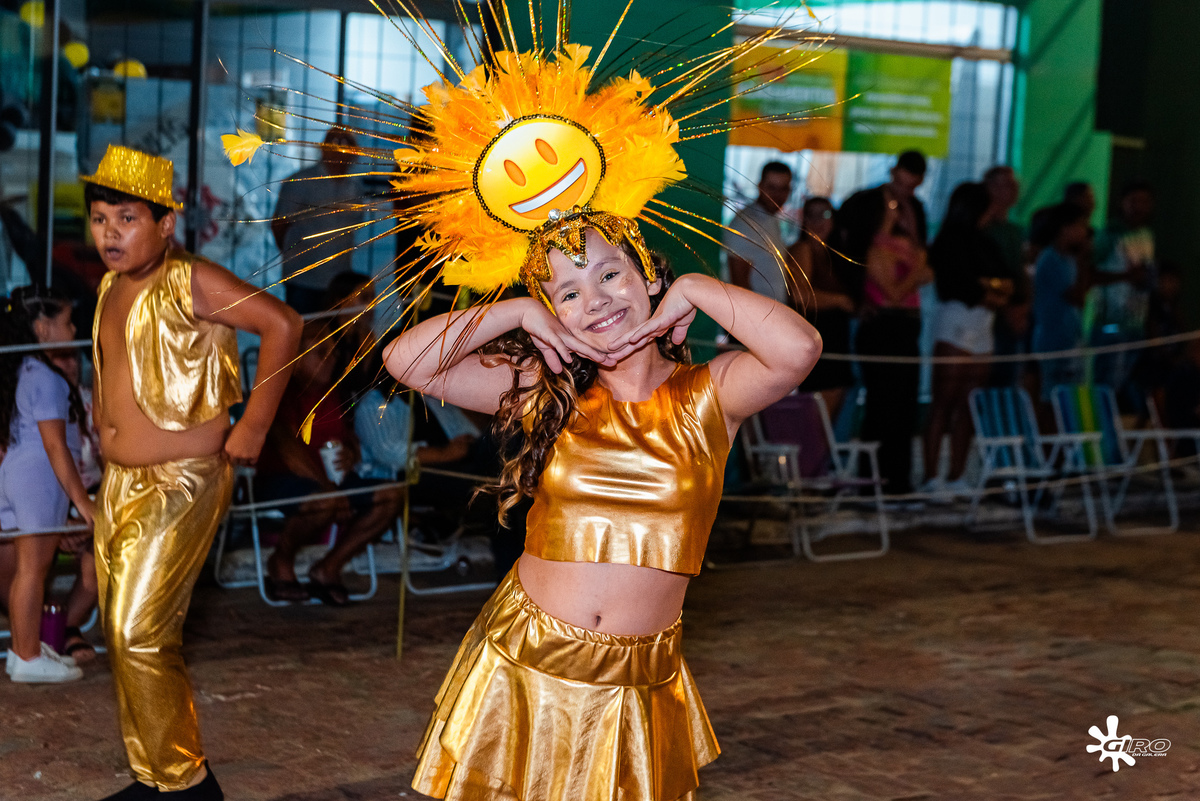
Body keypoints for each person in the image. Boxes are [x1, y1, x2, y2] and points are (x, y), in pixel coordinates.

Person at [84, 144, 302, 800]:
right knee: (119, 631)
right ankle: (153, 774)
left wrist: (255, 424)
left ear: (166, 223)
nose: (110, 233)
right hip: (120, 483)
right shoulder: (110, 286)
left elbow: (283, 323)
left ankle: (189, 786)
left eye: (127, 218)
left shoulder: (192, 279)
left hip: (182, 480)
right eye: (100, 219)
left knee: (138, 630)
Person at [256, 323, 406, 606]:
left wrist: (350, 453)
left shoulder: (332, 394)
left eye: (333, 351)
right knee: (325, 501)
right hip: (282, 479)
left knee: (392, 496)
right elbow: (289, 450)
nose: (332, 357)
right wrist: (330, 489)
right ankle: (281, 560)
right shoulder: (280, 393)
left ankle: (329, 567)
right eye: (321, 352)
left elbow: (347, 438)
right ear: (296, 360)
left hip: (331, 481)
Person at [0, 286, 92, 683]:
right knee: (33, 570)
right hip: (38, 476)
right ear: (42, 328)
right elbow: (56, 446)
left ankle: (25, 650)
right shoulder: (45, 377)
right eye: (67, 322)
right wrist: (82, 501)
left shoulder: (22, 370)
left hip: (17, 474)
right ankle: (28, 656)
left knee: (29, 569)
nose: (73, 329)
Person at [920, 183, 1013, 498]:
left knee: (970, 405)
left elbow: (1008, 282)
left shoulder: (987, 242)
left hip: (983, 325)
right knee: (943, 402)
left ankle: (957, 474)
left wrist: (990, 288)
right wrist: (988, 289)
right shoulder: (948, 241)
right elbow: (958, 284)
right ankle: (931, 475)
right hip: (955, 323)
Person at [849, 189, 933, 498]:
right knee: (883, 406)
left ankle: (899, 479)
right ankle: (874, 480)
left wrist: (916, 255)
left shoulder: (908, 247)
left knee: (905, 407)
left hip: (907, 328)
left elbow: (926, 275)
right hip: (884, 328)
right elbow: (894, 293)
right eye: (895, 208)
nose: (901, 213)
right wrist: (917, 267)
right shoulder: (874, 248)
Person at [271, 128, 366, 314]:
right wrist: (294, 255)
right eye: (335, 144)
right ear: (323, 149)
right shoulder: (301, 181)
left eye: (347, 145)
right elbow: (279, 224)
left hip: (339, 279)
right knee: (303, 326)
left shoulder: (355, 188)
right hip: (304, 277)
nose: (340, 151)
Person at [1090, 179, 1155, 405]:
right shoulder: (1109, 234)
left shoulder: (1146, 234)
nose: (1139, 207)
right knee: (1107, 384)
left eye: (1145, 201)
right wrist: (1125, 277)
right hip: (1110, 323)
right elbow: (1089, 272)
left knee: (1125, 384)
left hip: (1136, 322)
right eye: (1133, 201)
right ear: (1122, 202)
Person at [790, 196, 856, 417]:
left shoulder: (833, 253)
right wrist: (841, 301)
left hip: (834, 342)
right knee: (815, 419)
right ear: (804, 220)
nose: (818, 221)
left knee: (827, 416)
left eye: (825, 214)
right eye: (812, 215)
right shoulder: (803, 249)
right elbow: (800, 297)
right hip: (818, 340)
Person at [1031, 202, 1092, 400]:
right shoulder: (1051, 259)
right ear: (1065, 228)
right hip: (1053, 341)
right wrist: (1083, 259)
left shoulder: (1069, 260)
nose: (1085, 232)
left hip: (1070, 338)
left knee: (1073, 398)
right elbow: (1076, 297)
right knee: (1052, 398)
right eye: (1081, 226)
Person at [981, 165, 1031, 387]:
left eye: (1014, 185)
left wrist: (1024, 307)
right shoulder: (982, 230)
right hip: (987, 314)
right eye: (1004, 184)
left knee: (1009, 379)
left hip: (1016, 315)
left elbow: (1022, 272)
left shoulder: (1016, 231)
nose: (1012, 190)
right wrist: (1007, 308)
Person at [724, 161, 798, 305]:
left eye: (783, 188)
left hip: (772, 312)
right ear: (760, 186)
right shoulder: (746, 224)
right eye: (772, 188)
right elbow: (739, 284)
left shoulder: (771, 219)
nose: (777, 195)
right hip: (756, 314)